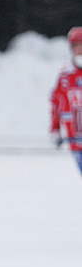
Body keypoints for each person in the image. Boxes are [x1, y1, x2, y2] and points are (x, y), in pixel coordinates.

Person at [50, 27, 82, 174]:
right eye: (76, 45)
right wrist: (55, 129)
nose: (80, 49)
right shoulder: (65, 76)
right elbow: (56, 104)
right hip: (75, 141)